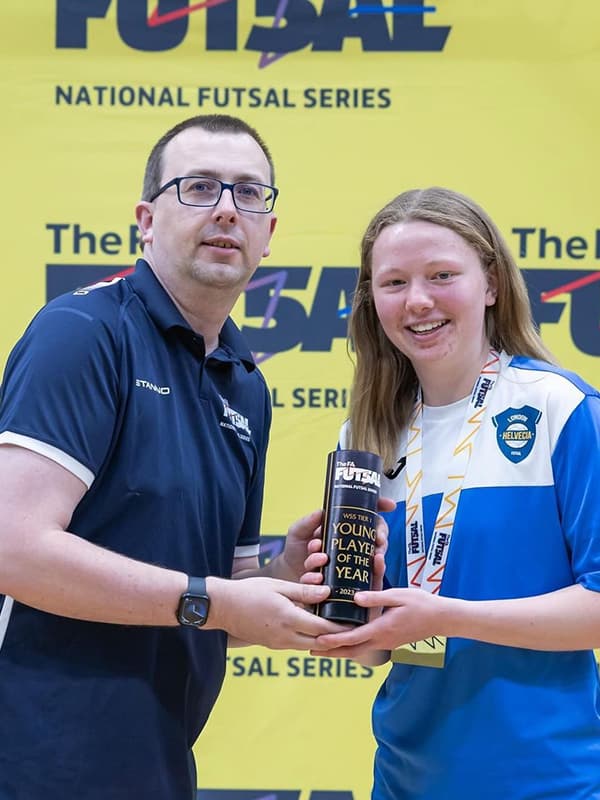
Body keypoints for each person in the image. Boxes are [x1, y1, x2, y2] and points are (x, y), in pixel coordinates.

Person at [0, 114, 346, 800]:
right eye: (198, 187)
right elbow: (14, 547)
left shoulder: (246, 386)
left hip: (157, 761)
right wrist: (211, 601)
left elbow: (222, 592)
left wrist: (283, 572)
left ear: (268, 234)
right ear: (146, 220)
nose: (225, 209)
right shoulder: (84, 334)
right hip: (34, 758)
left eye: (249, 194)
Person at [311, 187, 600, 799]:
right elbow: (373, 651)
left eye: (442, 275)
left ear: (491, 283)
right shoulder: (366, 438)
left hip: (549, 781)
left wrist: (444, 616)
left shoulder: (559, 408)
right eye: (393, 283)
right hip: (405, 779)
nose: (418, 301)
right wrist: (341, 615)